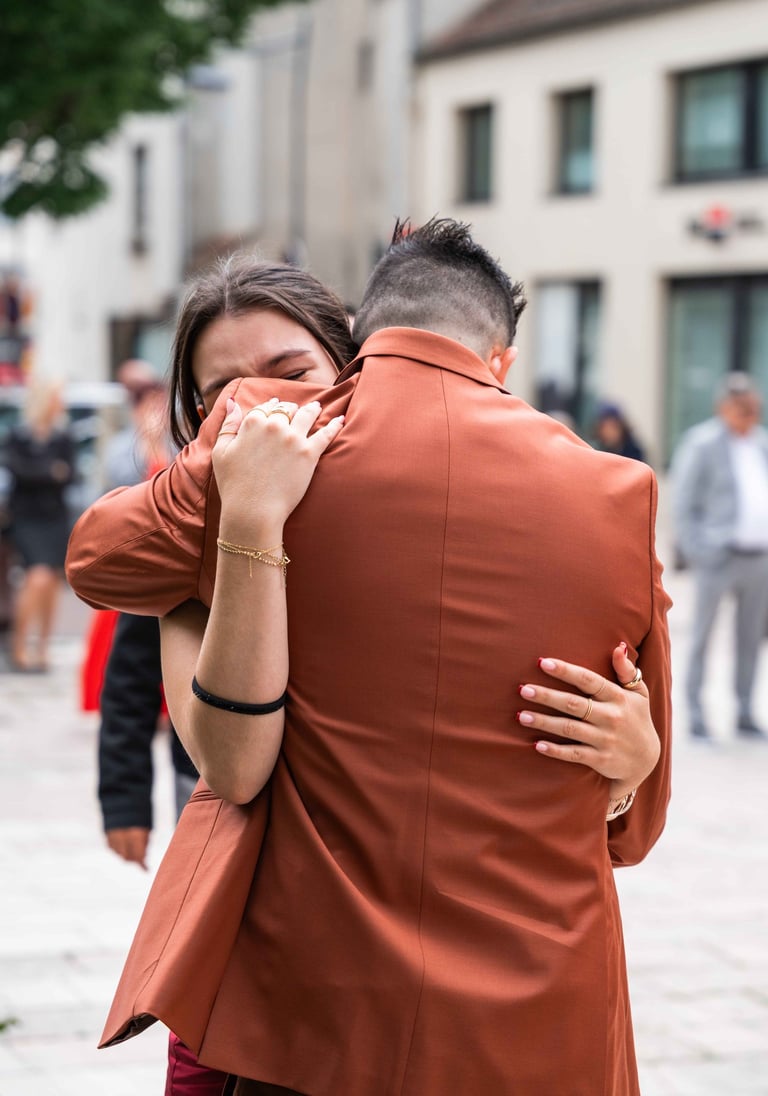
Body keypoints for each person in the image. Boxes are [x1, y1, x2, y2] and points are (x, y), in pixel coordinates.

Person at [67, 224, 672, 1095]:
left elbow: (95, 560)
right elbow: (632, 838)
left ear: (356, 355)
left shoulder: (260, 470)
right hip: (527, 1003)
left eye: (287, 372)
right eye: (221, 394)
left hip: (308, 1011)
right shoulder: (616, 493)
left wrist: (632, 763)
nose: (255, 407)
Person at [672, 371, 768, 740]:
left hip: (757, 558)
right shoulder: (702, 443)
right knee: (703, 636)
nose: (748, 412)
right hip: (718, 557)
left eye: (752, 405)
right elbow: (683, 503)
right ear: (723, 407)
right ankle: (696, 713)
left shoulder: (761, 443)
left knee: (750, 639)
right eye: (740, 406)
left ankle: (744, 710)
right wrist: (698, 551)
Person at [1, 379, 76, 671]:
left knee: (52, 581)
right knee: (37, 576)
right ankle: (19, 646)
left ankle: (42, 648)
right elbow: (18, 470)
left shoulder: (63, 437)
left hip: (55, 518)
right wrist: (50, 471)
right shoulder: (18, 436)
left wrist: (42, 472)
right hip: (26, 518)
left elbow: (69, 475)